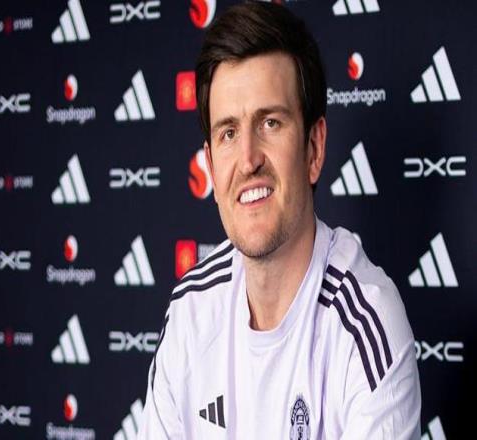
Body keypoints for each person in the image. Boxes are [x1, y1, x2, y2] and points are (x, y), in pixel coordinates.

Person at [138, 2, 421, 438]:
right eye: (228, 132)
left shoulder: (367, 323)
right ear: (210, 165)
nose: (248, 159)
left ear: (314, 148)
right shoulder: (190, 311)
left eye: (270, 123)